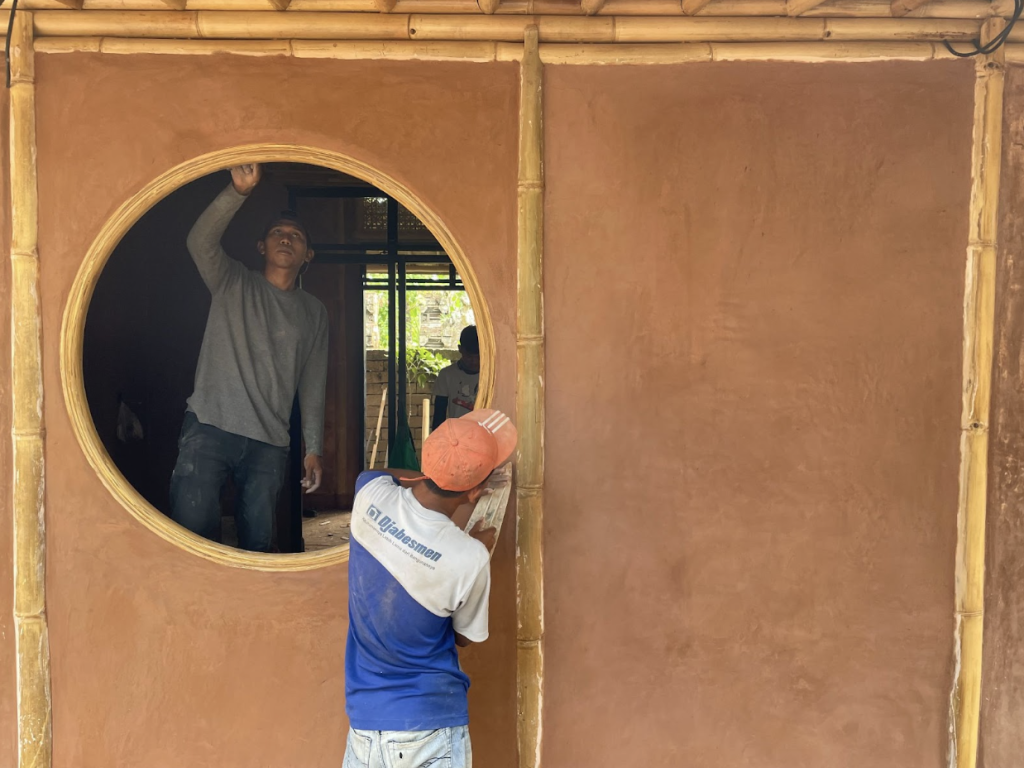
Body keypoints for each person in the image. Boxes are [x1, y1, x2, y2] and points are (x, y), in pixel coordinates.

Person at [343, 408, 517, 768]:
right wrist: (478, 547)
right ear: (477, 493)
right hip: (430, 724)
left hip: (364, 723)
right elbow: (464, 637)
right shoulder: (469, 557)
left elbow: (381, 475)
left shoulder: (369, 493)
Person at [169, 163, 328, 552]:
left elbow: (312, 380)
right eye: (277, 233)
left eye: (295, 236)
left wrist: (313, 447)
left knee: (257, 545)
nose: (286, 239)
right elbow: (199, 242)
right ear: (262, 246)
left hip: (269, 443)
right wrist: (237, 191)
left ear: (309, 254)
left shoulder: (314, 312)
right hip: (209, 426)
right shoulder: (232, 281)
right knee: (191, 536)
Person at [431, 325, 480, 431]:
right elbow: (439, 415)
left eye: (478, 357)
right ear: (460, 349)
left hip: (485, 438)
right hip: (457, 437)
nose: (474, 361)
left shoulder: (491, 377)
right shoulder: (447, 375)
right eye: (469, 356)